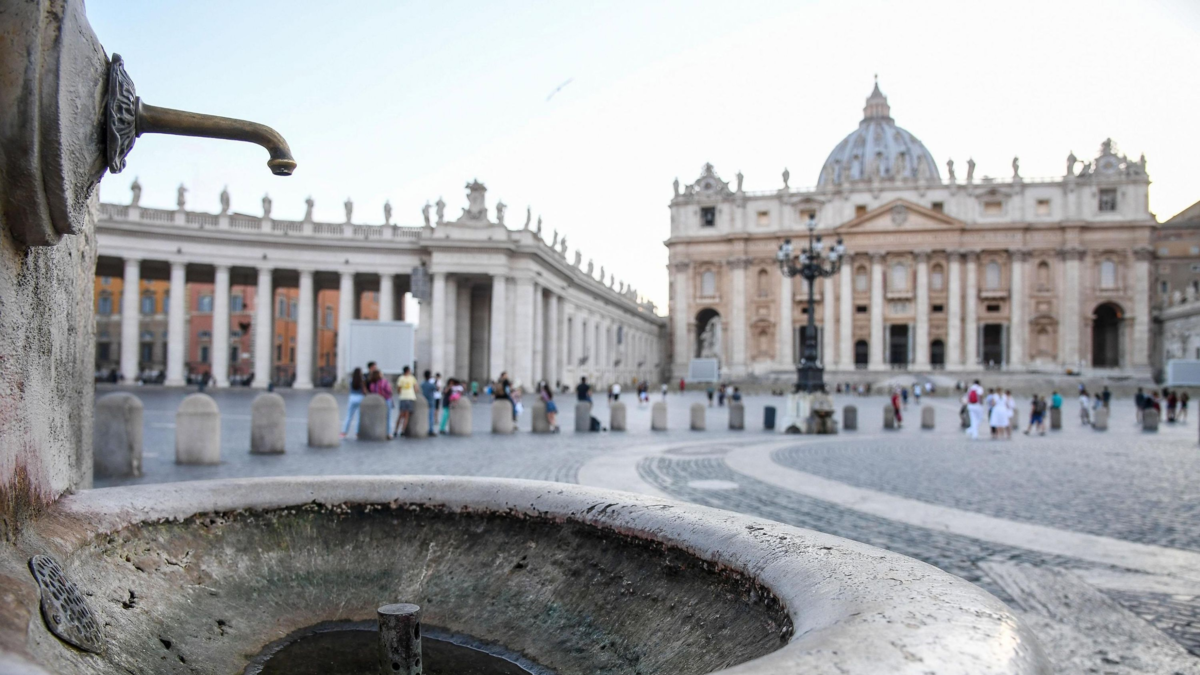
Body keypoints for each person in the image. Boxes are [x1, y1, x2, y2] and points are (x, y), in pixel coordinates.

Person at [367, 370, 395, 439]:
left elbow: (371, 391)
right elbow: (389, 390)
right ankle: (388, 433)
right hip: (386, 399)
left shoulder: (372, 383)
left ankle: (376, 431)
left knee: (376, 417)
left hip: (377, 401)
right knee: (388, 417)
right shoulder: (384, 382)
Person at [341, 367, 366, 438]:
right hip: (360, 397)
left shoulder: (351, 380)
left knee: (349, 415)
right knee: (359, 417)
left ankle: (344, 432)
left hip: (352, 397)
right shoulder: (362, 380)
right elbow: (364, 389)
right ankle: (357, 432)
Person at [394, 366, 417, 437]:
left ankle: (400, 430)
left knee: (405, 414)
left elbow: (399, 388)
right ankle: (398, 430)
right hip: (407, 397)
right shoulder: (404, 378)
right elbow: (415, 387)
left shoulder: (408, 378)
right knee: (403, 414)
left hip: (406, 397)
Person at [420, 370, 438, 435]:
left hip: (424, 401)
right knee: (431, 417)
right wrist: (435, 381)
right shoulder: (431, 385)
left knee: (424, 416)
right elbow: (436, 389)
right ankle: (431, 430)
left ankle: (423, 428)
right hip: (431, 401)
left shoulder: (422, 384)